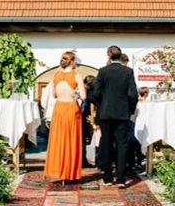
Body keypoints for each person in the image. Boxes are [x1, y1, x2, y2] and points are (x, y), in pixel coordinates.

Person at [90, 45, 139, 188]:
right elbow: (133, 94)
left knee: (106, 144)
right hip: (122, 114)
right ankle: (122, 178)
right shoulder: (128, 71)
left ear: (109, 56)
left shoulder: (103, 71)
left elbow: (95, 93)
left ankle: (107, 177)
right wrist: (130, 110)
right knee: (122, 145)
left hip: (106, 113)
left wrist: (100, 106)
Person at [43, 51, 85, 183]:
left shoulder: (56, 75)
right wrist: (75, 94)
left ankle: (57, 171)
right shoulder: (77, 75)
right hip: (71, 108)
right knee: (70, 140)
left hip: (59, 108)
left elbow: (54, 95)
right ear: (72, 61)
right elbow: (83, 96)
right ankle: (69, 171)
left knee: (58, 140)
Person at [78, 74, 97, 168]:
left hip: (86, 117)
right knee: (80, 140)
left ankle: (83, 160)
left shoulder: (90, 92)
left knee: (84, 140)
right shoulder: (80, 90)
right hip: (79, 117)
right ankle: (80, 160)